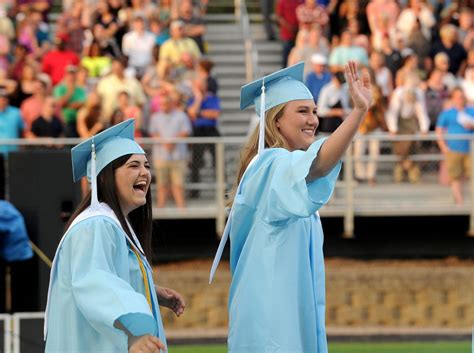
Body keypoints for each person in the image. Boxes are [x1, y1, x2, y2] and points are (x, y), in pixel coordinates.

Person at [209, 61, 372, 353]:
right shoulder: (268, 165)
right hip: (271, 318)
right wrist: (358, 113)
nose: (313, 120)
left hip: (287, 311)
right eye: (302, 111)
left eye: (314, 111)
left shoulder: (282, 170)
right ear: (276, 121)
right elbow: (319, 164)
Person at [45, 119, 185, 352]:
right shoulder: (96, 225)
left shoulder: (114, 224)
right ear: (106, 176)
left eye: (147, 165)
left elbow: (109, 274)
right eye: (133, 166)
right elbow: (94, 284)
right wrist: (132, 335)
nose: (144, 173)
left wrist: (150, 288)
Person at [436, 88, 474, 204]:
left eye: (462, 97)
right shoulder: (447, 113)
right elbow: (439, 131)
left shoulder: (471, 111)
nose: (460, 100)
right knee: (455, 175)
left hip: (470, 149)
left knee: (469, 174)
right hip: (453, 149)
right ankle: (459, 200)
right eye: (457, 97)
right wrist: (443, 146)